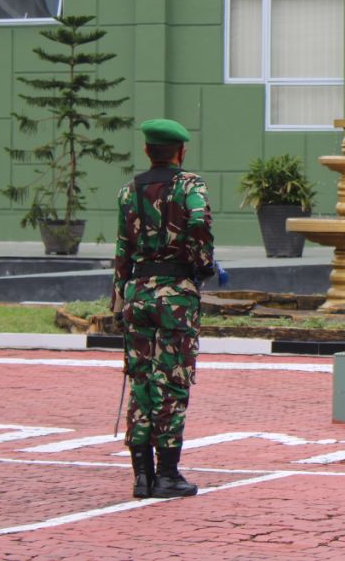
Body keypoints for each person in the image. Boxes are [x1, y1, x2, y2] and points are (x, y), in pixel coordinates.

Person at [112, 118, 216, 498]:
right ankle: (168, 474)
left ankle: (141, 475)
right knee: (171, 381)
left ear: (146, 151)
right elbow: (199, 219)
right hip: (175, 295)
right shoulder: (190, 185)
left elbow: (122, 249)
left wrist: (120, 295)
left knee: (140, 380)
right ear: (181, 152)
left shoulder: (129, 191)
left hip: (138, 292)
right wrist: (204, 262)